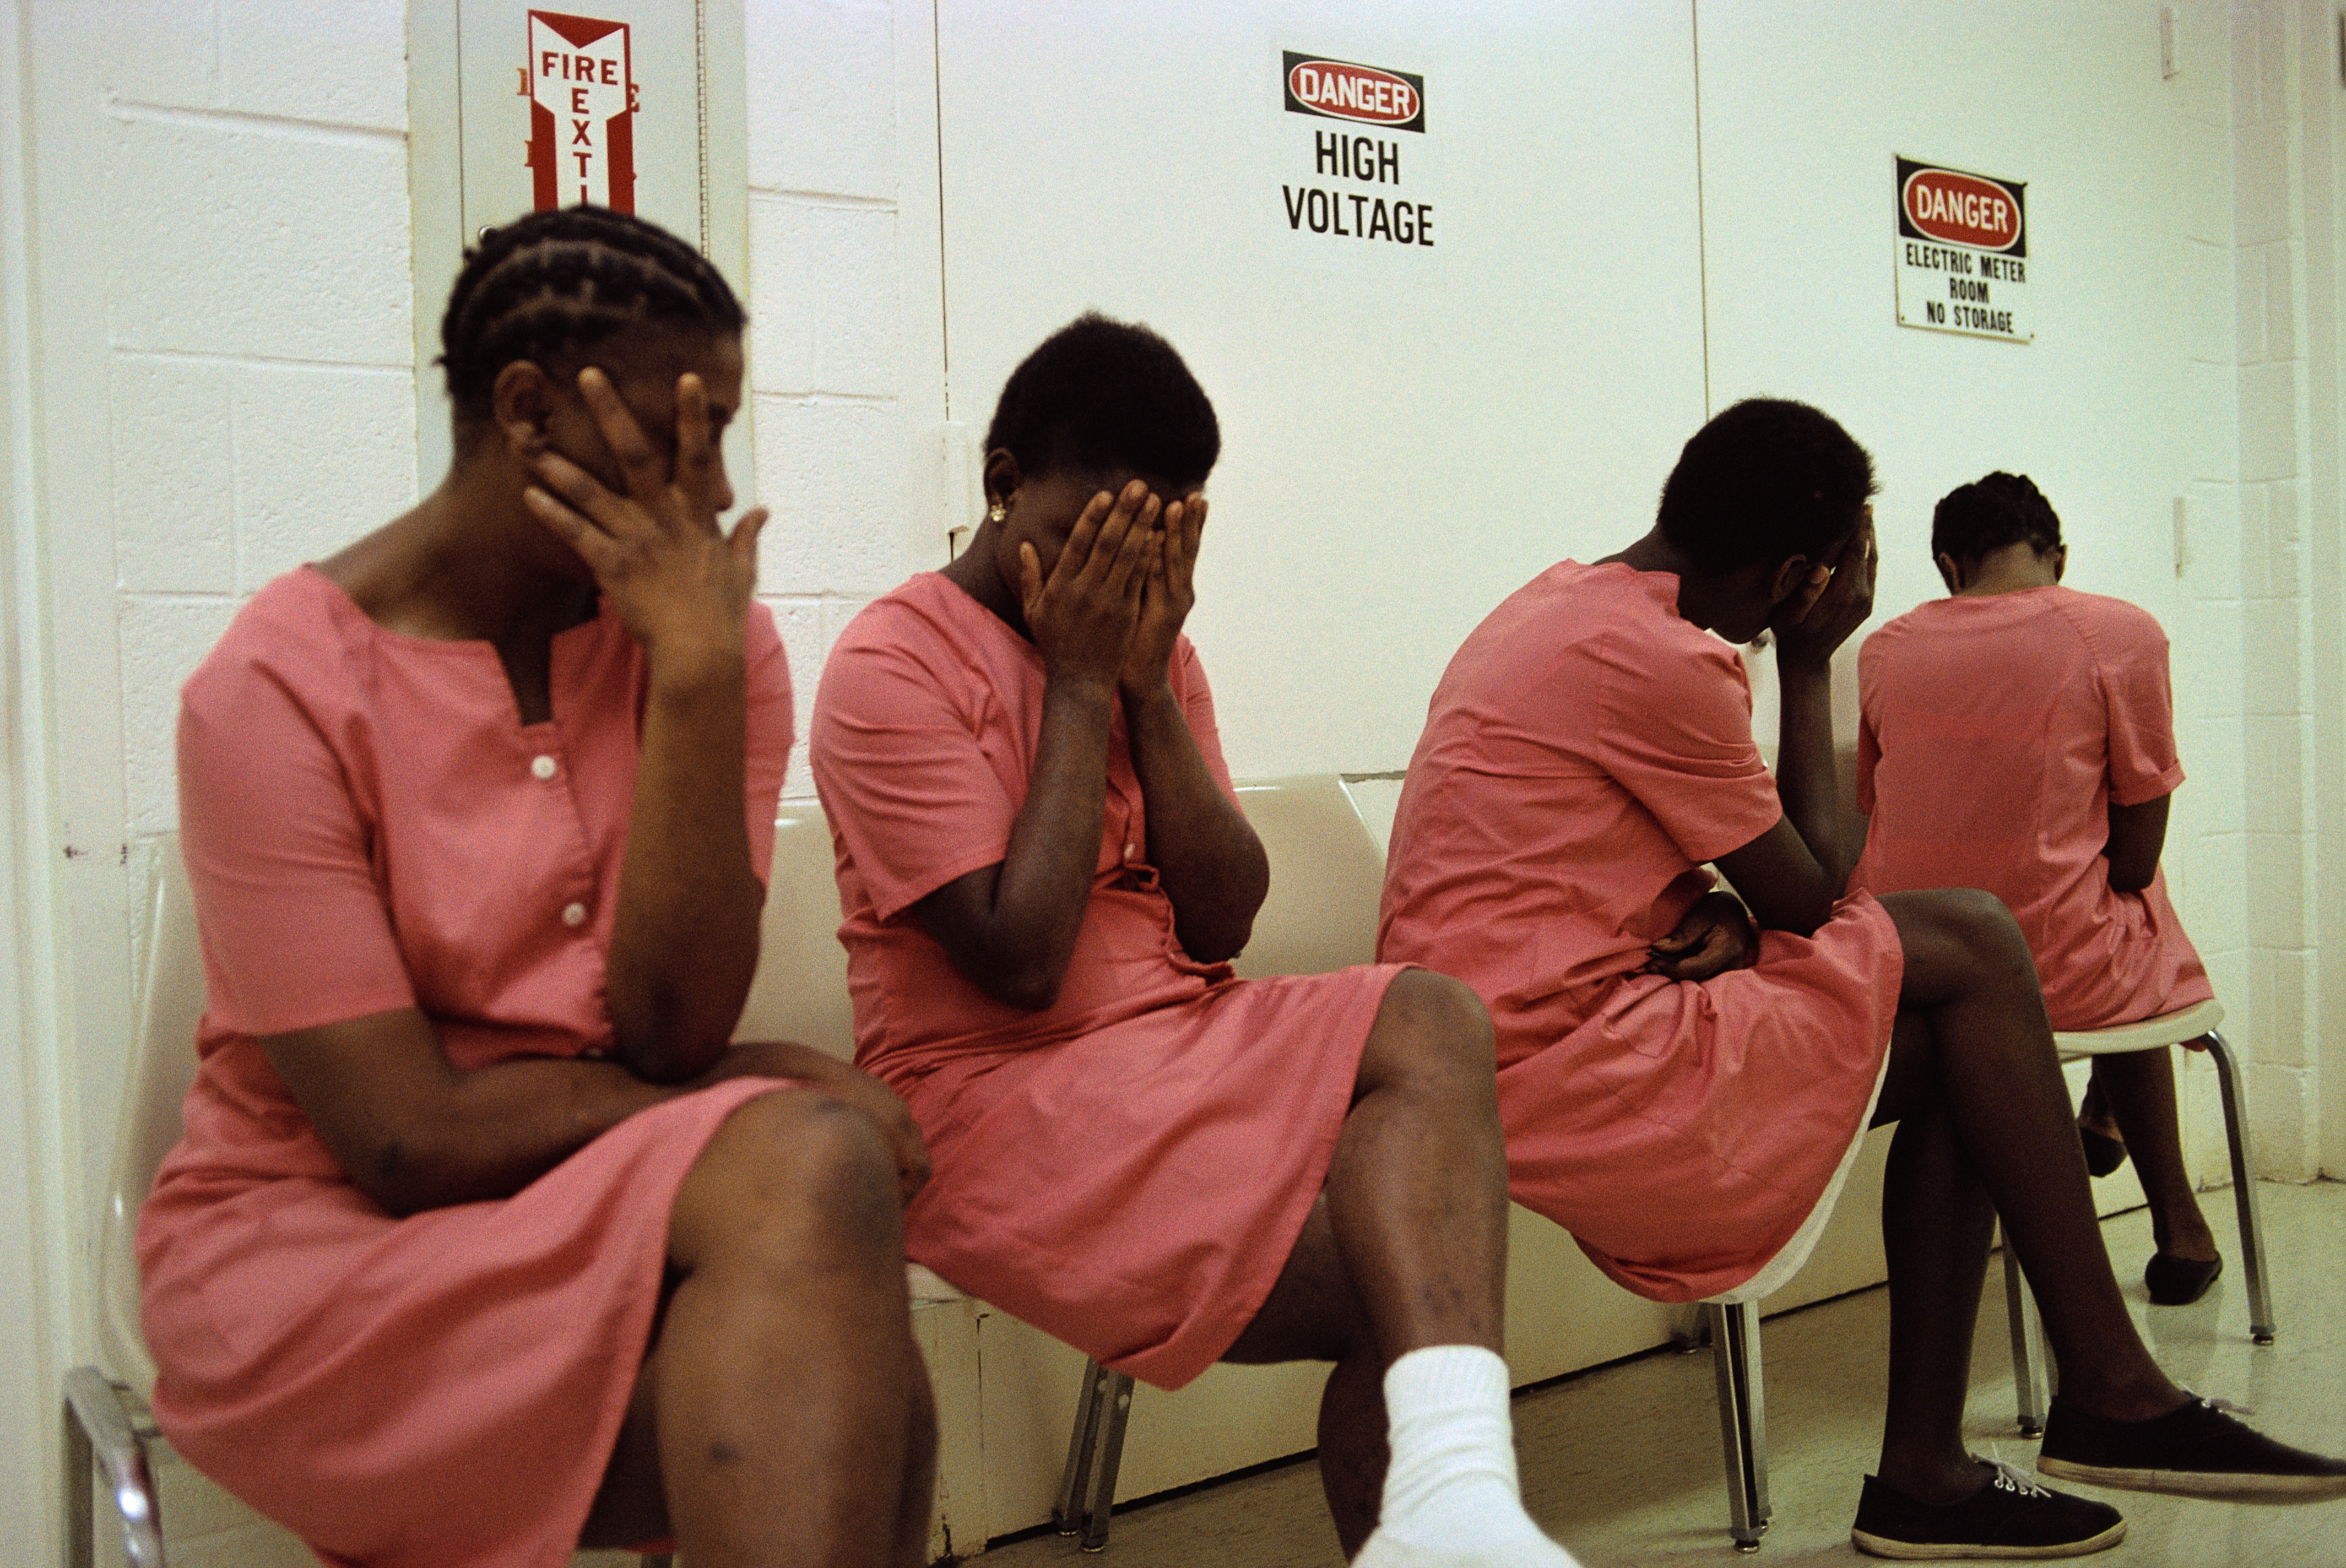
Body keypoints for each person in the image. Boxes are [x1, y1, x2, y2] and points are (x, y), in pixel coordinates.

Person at [1378, 399, 2346, 1562]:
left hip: (1503, 1025)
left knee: (1960, 1048)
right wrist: (1810, 658)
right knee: (1978, 943)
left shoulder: (1561, 605)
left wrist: (1717, 908)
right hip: (1551, 1061)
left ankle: (1939, 1473)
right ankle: (2108, 1392)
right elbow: (1819, 888)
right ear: (1797, 575)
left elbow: (1595, 866)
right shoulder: (1662, 656)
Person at [138, 206, 936, 1568]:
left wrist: (689, 678)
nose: (712, 481)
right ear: (525, 409)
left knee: (832, 1278)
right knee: (835, 1268)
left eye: (725, 432)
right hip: (321, 1235)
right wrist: (744, 1089)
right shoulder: (271, 691)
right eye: (684, 429)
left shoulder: (707, 650)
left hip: (585, 1177)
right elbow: (401, 1136)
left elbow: (671, 1024)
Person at [811, 314, 1576, 1568]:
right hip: (993, 1098)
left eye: (1152, 550)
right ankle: (1453, 1510)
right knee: (1421, 1290)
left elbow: (1224, 918)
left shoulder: (1148, 652)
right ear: (1001, 485)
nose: (1116, 584)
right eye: (1086, 541)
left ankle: (1452, 1505)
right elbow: (1020, 960)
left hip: (1182, 1042)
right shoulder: (889, 665)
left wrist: (1148, 685)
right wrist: (1074, 683)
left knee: (1432, 1014)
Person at [1851, 472, 2224, 1305]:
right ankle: (2177, 1222)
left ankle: (2107, 1117)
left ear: (1950, 563)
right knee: (2133, 897)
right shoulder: (2120, 633)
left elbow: (1876, 803)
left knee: (2102, 903)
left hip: (1911, 962)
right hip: (2055, 971)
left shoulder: (1886, 648)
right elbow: (2134, 846)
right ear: (2057, 553)